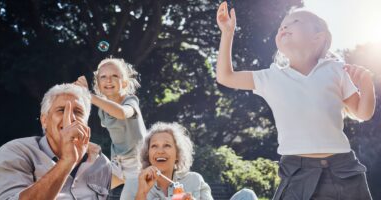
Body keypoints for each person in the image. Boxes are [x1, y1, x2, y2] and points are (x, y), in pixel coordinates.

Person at [216, 1, 375, 199]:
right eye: (282, 25)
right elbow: (225, 77)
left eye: (295, 21)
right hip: (296, 173)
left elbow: (363, 113)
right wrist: (227, 33)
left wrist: (367, 84)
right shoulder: (271, 77)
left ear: (318, 37)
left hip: (343, 170)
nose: (284, 26)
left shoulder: (336, 70)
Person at [0, 83, 112, 200]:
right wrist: (67, 161)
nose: (71, 118)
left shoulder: (102, 163)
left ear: (86, 122)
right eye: (61, 110)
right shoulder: (16, 152)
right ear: (44, 121)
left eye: (78, 112)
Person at [75, 58, 146, 194]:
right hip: (119, 164)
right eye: (103, 77)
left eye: (115, 76)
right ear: (98, 85)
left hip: (138, 163)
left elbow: (121, 113)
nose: (109, 80)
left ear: (124, 83)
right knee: (87, 189)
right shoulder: (103, 109)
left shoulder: (130, 101)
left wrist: (89, 96)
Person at [121, 122, 213, 200]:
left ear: (177, 154)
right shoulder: (132, 184)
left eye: (167, 145)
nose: (160, 151)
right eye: (154, 146)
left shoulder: (195, 180)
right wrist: (142, 193)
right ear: (147, 153)